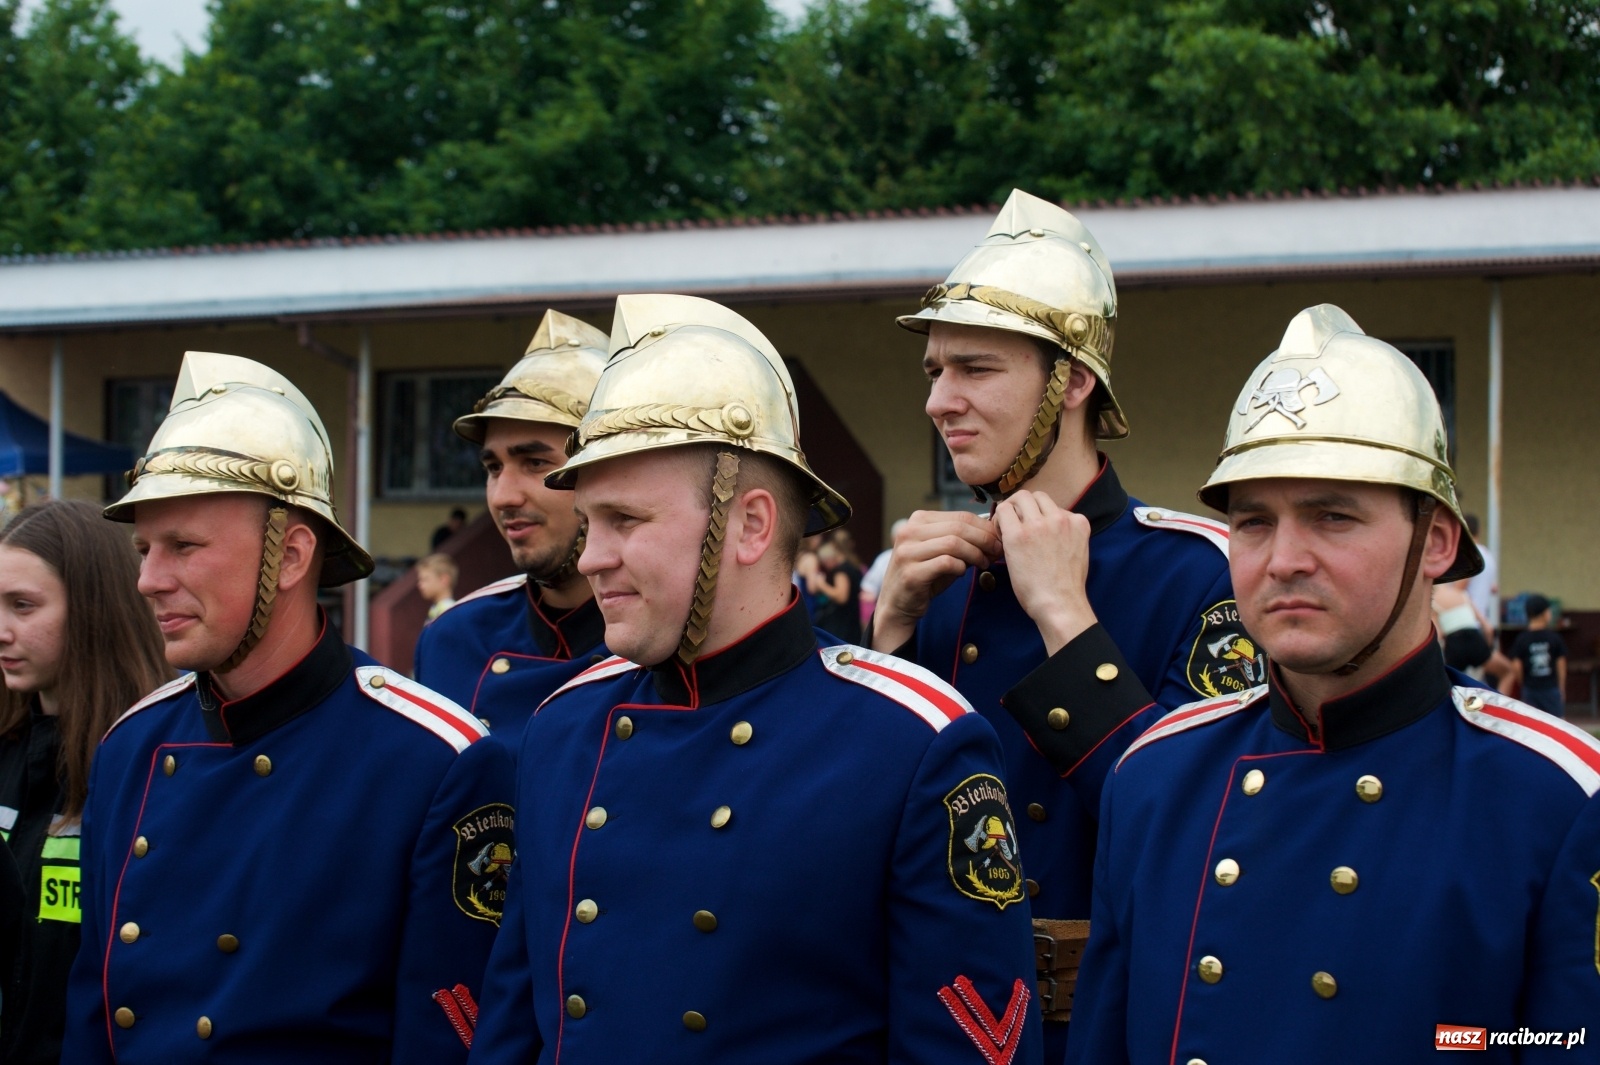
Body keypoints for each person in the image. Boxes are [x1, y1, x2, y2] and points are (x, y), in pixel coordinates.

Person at [468, 294, 1042, 1065]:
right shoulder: (562, 728)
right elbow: (511, 1029)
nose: (593, 554)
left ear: (751, 524)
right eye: (590, 520)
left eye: (626, 521)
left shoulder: (912, 742)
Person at [1065, 305, 1600, 1064]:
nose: (1284, 557)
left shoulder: (1557, 798)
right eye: (1253, 521)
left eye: (1332, 516)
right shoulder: (1153, 775)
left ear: (1436, 541)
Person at [871, 189, 1246, 1051]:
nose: (939, 400)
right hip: (947, 1026)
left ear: (1073, 380)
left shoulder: (1200, 570)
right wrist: (884, 640)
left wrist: (1066, 619)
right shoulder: (941, 578)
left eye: (975, 368)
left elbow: (1207, 839)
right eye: (935, 371)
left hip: (1115, 1022)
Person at [62, 352, 514, 1064]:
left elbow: (446, 1037)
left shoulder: (434, 759)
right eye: (145, 548)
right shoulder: (131, 747)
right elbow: (91, 1017)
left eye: (183, 546)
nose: (147, 579)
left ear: (293, 552)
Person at [0, 501, 173, 1065]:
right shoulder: (7, 749)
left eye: (23, 607)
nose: (2, 630)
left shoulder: (155, 765)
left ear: (95, 610)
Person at [413, 312, 608, 737]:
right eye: (493, 467)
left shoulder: (670, 638)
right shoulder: (454, 639)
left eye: (535, 462)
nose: (503, 496)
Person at [1431, 576, 1511, 680]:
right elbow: (1488, 628)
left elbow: (1438, 636)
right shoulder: (1463, 594)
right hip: (1475, 640)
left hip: (1454, 644)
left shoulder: (1433, 602)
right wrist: (1487, 649)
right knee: (1507, 672)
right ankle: (1499, 696)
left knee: (1451, 683)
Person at [1509, 593, 1567, 717]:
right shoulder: (1554, 638)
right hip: (1551, 689)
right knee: (1557, 724)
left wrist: (1523, 683)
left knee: (1533, 723)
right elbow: (1560, 663)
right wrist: (1561, 686)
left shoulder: (1522, 639)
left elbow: (1516, 665)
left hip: (1530, 689)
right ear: (1544, 614)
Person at [801, 535, 862, 643]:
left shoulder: (841, 571)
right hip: (852, 619)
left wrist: (822, 585)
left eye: (824, 562)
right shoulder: (851, 566)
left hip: (843, 623)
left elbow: (841, 597)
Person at [417, 553, 459, 622]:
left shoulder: (448, 611)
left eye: (425, 579)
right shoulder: (436, 609)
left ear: (444, 580)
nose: (419, 584)